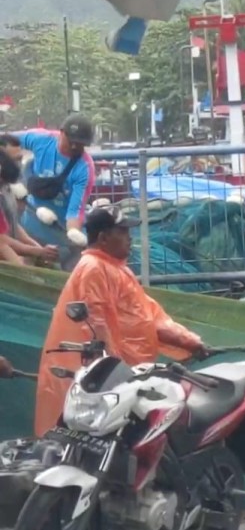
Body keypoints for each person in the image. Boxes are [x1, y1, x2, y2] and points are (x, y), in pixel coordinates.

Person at [35, 206, 207, 436]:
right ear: (103, 238)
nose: (129, 237)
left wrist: (190, 342)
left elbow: (148, 318)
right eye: (122, 231)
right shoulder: (93, 269)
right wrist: (116, 374)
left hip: (122, 380)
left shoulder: (115, 270)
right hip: (98, 387)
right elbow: (96, 330)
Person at [16, 114, 96, 270]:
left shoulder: (85, 168)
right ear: (61, 132)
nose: (74, 147)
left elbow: (75, 211)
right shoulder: (41, 139)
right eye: (71, 141)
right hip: (30, 226)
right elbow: (7, 141)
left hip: (60, 234)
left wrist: (73, 233)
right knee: (27, 273)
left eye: (79, 144)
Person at [0, 148, 57, 265]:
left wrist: (40, 251)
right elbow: (2, 242)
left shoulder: (6, 190)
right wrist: (35, 253)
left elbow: (11, 226)